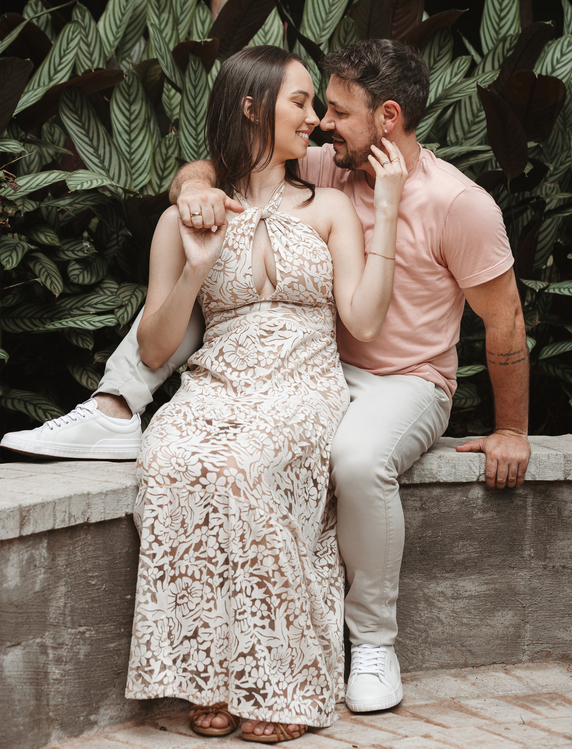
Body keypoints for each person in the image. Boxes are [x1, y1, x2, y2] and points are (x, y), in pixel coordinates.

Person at [2, 39, 531, 713]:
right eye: (313, 106)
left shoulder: (461, 204)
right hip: (300, 359)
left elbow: (507, 321)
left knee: (357, 457)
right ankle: (114, 405)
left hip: (404, 377)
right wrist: (193, 195)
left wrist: (513, 427)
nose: (320, 122)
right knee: (227, 286)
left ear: (388, 117)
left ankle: (372, 641)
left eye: (335, 110)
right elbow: (224, 160)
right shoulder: (322, 160)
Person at [126, 45, 406, 741]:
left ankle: (283, 677)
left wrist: (390, 211)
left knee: (246, 466)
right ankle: (208, 675)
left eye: (314, 104)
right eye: (301, 102)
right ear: (252, 107)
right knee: (169, 461)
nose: (314, 118)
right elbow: (157, 348)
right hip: (217, 383)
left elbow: (364, 319)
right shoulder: (184, 215)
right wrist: (195, 265)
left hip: (303, 384)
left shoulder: (331, 208)